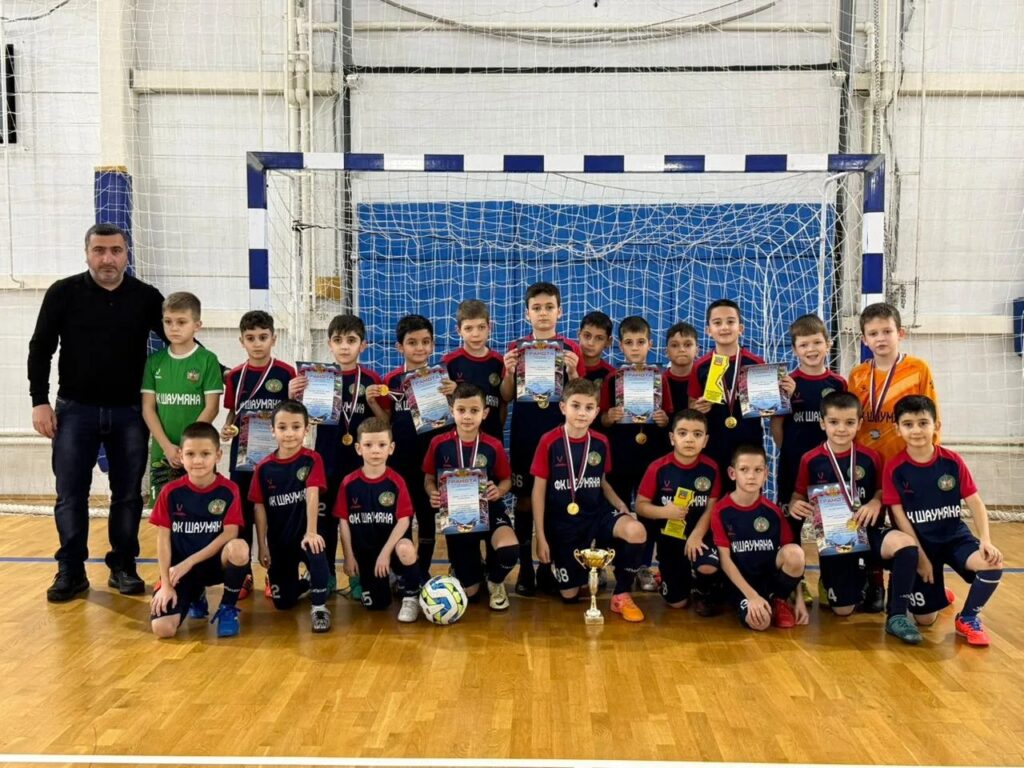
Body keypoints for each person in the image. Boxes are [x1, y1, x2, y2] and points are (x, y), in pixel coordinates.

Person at [28, 222, 164, 601]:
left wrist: (225, 374)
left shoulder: (147, 297)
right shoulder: (63, 293)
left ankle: (123, 566)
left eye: (115, 251)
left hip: (130, 412)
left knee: (128, 495)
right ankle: (71, 571)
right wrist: (39, 400)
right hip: (74, 411)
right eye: (99, 250)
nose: (107, 259)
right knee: (70, 494)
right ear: (87, 253)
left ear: (127, 254)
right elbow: (40, 347)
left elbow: (181, 341)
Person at [789, 392, 923, 644]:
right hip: (836, 540)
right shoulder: (810, 459)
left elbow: (883, 491)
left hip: (868, 531)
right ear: (822, 423)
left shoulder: (871, 457)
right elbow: (798, 494)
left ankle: (896, 615)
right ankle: (855, 579)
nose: (841, 429)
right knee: (842, 611)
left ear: (860, 424)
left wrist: (875, 501)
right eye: (834, 422)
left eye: (849, 422)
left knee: (906, 546)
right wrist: (796, 504)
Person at [883, 395, 1003, 646]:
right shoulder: (894, 467)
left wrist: (986, 540)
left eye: (923, 423)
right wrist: (921, 558)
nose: (916, 430)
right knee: (925, 620)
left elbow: (975, 502)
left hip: (954, 537)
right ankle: (937, 592)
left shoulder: (952, 461)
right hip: (923, 544)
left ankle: (967, 618)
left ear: (936, 425)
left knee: (992, 563)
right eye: (908, 424)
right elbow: (899, 517)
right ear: (897, 429)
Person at [531, 378, 648, 622]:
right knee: (570, 595)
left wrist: (621, 505)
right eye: (576, 406)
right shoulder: (549, 441)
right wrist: (540, 536)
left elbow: (602, 481)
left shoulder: (601, 441)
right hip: (564, 523)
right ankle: (557, 570)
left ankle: (621, 593)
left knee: (636, 531)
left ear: (596, 412)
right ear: (563, 407)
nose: (582, 413)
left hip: (597, 514)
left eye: (588, 407)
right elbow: (538, 491)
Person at [289, 314, 390, 594]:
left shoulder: (371, 380)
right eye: (338, 340)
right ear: (329, 344)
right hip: (326, 461)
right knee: (325, 522)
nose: (344, 346)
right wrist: (293, 395)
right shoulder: (315, 378)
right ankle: (326, 576)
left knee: (357, 522)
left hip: (361, 466)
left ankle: (358, 576)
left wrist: (373, 402)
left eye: (351, 340)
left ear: (363, 345)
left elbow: (385, 425)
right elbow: (296, 420)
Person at [501, 281, 585, 596]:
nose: (543, 313)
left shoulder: (569, 348)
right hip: (525, 434)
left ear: (560, 312)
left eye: (549, 307)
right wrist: (509, 372)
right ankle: (525, 568)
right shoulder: (516, 347)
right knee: (524, 501)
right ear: (527, 314)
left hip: (559, 435)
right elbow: (505, 396)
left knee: (556, 500)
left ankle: (549, 567)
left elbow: (580, 396)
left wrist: (574, 374)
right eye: (536, 308)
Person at [770, 313, 847, 605]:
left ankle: (831, 580)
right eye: (803, 345)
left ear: (828, 343)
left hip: (830, 469)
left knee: (832, 526)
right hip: (793, 466)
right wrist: (790, 452)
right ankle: (796, 580)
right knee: (791, 523)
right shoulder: (787, 382)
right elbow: (777, 425)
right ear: (794, 350)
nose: (811, 349)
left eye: (816, 342)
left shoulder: (838, 383)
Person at [148, 422, 250, 639]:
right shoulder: (170, 492)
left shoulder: (229, 490)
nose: (197, 460)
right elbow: (163, 540)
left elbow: (230, 533)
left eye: (205, 454)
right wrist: (166, 584)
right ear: (181, 456)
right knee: (163, 629)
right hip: (180, 571)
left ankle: (227, 608)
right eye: (190, 454)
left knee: (239, 548)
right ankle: (195, 595)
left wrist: (190, 562)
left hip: (213, 565)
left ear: (218, 455)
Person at [423, 383, 518, 610]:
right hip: (457, 517)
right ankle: (471, 570)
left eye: (474, 410)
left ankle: (495, 580)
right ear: (451, 411)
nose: (467, 416)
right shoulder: (438, 444)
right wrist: (432, 492)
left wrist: (499, 490)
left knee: (509, 550)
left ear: (485, 413)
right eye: (461, 410)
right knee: (470, 593)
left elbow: (507, 480)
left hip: (490, 508)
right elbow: (429, 478)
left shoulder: (493, 445)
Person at [222, 310, 296, 598]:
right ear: (241, 341)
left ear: (273, 339)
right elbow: (233, 413)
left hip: (277, 459)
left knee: (276, 516)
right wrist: (227, 428)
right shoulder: (235, 376)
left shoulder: (287, 373)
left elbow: (293, 414)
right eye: (250, 338)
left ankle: (274, 573)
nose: (257, 343)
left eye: (263, 337)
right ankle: (244, 575)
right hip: (242, 459)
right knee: (242, 515)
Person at [598, 315, 670, 591]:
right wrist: (609, 416)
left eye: (641, 342)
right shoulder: (612, 379)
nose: (635, 347)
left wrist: (664, 420)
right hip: (619, 456)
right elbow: (601, 420)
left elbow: (670, 417)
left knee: (648, 512)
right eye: (629, 342)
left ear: (650, 344)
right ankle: (605, 562)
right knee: (615, 509)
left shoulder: (659, 379)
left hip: (651, 457)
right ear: (620, 346)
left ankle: (643, 566)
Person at [383, 314, 456, 582]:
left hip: (431, 463)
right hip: (400, 462)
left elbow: (456, 418)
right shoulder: (391, 381)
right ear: (399, 347)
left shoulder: (442, 379)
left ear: (433, 345)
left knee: (427, 519)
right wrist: (374, 402)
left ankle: (422, 571)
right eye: (412, 342)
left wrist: (454, 394)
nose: (420, 348)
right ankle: (400, 572)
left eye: (426, 342)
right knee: (400, 518)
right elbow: (385, 422)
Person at [249, 400, 332, 633]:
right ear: (272, 430)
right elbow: (259, 508)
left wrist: (311, 532)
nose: (289, 433)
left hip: (305, 535)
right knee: (283, 604)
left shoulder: (312, 459)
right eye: (282, 427)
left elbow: (312, 493)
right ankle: (303, 583)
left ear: (306, 430)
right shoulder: (263, 468)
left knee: (316, 547)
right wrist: (262, 546)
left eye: (296, 427)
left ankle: (319, 607)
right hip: (280, 541)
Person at [711, 444, 808, 630]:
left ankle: (779, 599)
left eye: (757, 470)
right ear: (732, 473)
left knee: (795, 553)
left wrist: (799, 601)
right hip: (740, 585)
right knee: (761, 623)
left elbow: (791, 552)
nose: (751, 476)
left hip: (768, 581)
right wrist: (752, 596)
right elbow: (725, 560)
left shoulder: (773, 512)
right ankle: (754, 604)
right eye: (744, 469)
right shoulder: (721, 511)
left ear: (766, 474)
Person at [636, 409, 723, 616]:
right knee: (677, 603)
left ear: (705, 440)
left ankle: (705, 588)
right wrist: (664, 511)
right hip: (670, 538)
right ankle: (679, 579)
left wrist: (697, 535)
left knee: (708, 568)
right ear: (672, 438)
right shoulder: (657, 468)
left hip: (701, 536)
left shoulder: (711, 468)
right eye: (682, 433)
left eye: (697, 434)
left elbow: (712, 507)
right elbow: (640, 506)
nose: (689, 439)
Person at [335, 417, 423, 622]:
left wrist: (386, 553)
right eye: (368, 445)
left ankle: (411, 596)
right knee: (377, 606)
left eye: (382, 445)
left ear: (391, 448)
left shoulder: (397, 481)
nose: (375, 451)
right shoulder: (348, 483)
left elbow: (404, 521)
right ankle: (389, 579)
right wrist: (348, 556)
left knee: (406, 548)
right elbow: (343, 522)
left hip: (391, 549)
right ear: (358, 448)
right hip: (366, 553)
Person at [141, 291, 222, 505]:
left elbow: (212, 408)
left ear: (197, 325)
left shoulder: (208, 360)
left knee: (199, 509)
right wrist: (168, 447)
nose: (174, 328)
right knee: (164, 513)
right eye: (168, 322)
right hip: (163, 452)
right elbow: (148, 408)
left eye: (181, 322)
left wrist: (188, 447)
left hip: (198, 453)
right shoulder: (154, 362)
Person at [847, 303, 938, 466]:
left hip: (906, 460)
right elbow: (849, 418)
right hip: (865, 461)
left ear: (900, 333)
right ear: (864, 340)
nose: (880, 338)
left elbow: (932, 416)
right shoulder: (857, 374)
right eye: (873, 333)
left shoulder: (918, 369)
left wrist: (931, 457)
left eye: (887, 331)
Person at [689, 300, 766, 490]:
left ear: (741, 328)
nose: (724, 327)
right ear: (708, 330)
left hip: (749, 444)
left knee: (748, 497)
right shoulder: (700, 366)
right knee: (714, 497)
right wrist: (698, 408)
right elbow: (691, 408)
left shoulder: (756, 364)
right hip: (714, 444)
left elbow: (768, 407)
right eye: (717, 323)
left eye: (730, 322)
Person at [442, 300, 507, 441]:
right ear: (459, 331)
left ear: (490, 327)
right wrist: (454, 392)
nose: (476, 334)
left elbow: (503, 404)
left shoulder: (500, 362)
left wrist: (496, 431)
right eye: (468, 328)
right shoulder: (448, 362)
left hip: (492, 438)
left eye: (481, 327)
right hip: (458, 441)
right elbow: (442, 408)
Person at [662, 322, 700, 418]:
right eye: (674, 345)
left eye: (688, 345)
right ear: (666, 352)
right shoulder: (659, 381)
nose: (681, 349)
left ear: (697, 351)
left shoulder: (704, 380)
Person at [577, 310, 615, 392]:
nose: (591, 343)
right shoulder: (564, 367)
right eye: (587, 336)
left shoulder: (612, 376)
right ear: (579, 335)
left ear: (608, 342)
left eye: (599, 338)